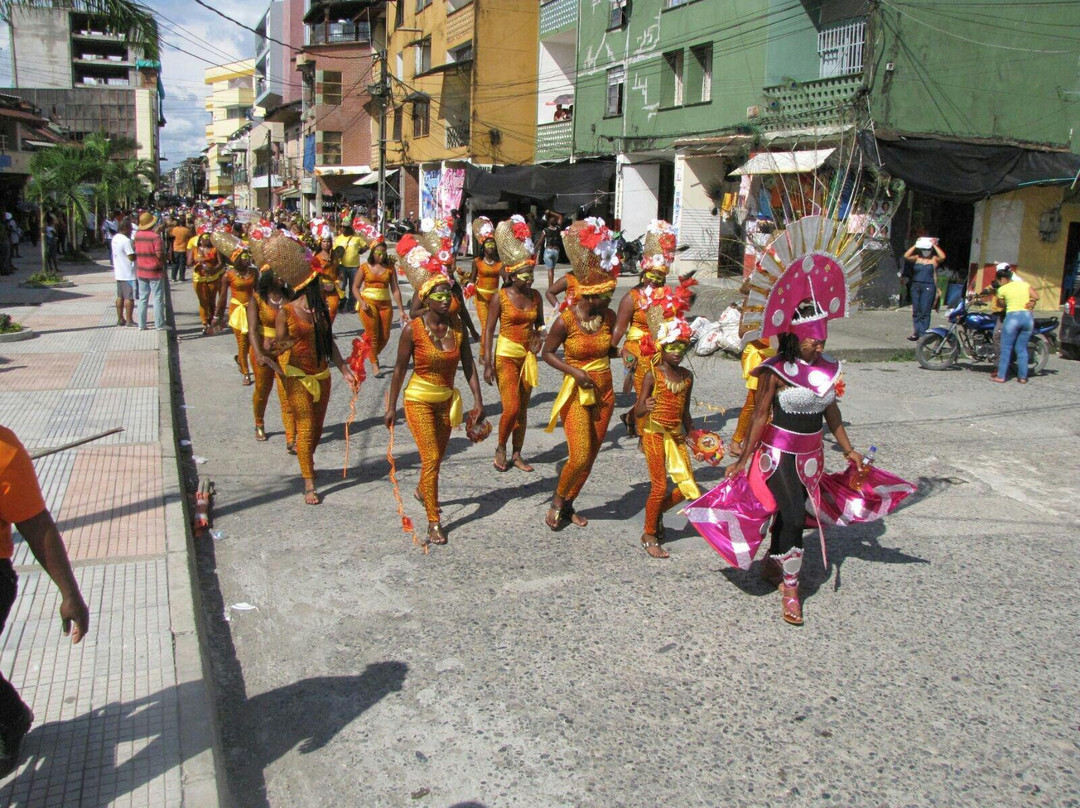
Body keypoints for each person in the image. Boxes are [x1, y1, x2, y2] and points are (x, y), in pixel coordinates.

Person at [385, 225, 485, 546]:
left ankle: (422, 490)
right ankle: (433, 521)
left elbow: (468, 364)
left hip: (446, 400)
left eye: (448, 293)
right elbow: (400, 369)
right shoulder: (412, 330)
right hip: (418, 400)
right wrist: (390, 406)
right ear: (425, 300)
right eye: (437, 294)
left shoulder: (456, 327)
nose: (445, 298)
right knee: (430, 458)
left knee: (437, 457)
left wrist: (477, 400)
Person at [0, 425, 90, 777]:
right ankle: (12, 714)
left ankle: (9, 719)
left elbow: (36, 525)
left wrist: (70, 594)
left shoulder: (4, 451)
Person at [263, 233, 356, 505]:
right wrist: (269, 348)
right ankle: (309, 481)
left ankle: (308, 461)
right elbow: (280, 346)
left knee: (315, 430)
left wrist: (344, 370)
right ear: (310, 285)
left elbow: (329, 343)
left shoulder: (322, 311)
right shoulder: (287, 312)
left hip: (321, 376)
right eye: (322, 283)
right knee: (304, 428)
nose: (327, 288)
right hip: (296, 377)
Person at [541, 219, 619, 531]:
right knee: (579, 453)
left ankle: (570, 502)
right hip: (576, 391)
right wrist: (574, 371)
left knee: (591, 457)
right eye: (605, 295)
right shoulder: (565, 321)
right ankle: (558, 500)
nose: (609, 300)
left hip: (605, 391)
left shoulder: (608, 317)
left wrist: (627, 353)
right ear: (587, 295)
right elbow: (546, 353)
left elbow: (607, 351)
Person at [633, 303, 700, 558]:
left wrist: (695, 435)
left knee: (687, 487)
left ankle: (656, 512)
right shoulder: (653, 375)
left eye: (681, 348)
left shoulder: (686, 377)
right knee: (659, 487)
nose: (676, 353)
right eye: (671, 348)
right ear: (662, 348)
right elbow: (638, 411)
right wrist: (644, 407)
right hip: (653, 433)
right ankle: (649, 533)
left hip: (676, 435)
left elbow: (685, 413)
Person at [483, 218, 544, 473]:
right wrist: (487, 363)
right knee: (512, 406)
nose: (529, 280)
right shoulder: (500, 297)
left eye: (531, 275)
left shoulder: (536, 296)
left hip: (527, 358)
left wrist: (539, 339)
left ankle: (518, 454)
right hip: (506, 355)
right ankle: (500, 446)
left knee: (523, 408)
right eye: (524, 276)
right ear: (512, 275)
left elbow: (539, 325)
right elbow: (488, 331)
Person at [611, 220, 678, 437]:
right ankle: (646, 436)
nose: (657, 281)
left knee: (659, 391)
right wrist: (613, 349)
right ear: (644, 272)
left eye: (661, 277)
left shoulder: (668, 297)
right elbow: (619, 329)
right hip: (638, 351)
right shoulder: (631, 298)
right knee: (644, 393)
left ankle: (631, 417)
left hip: (660, 349)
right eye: (653, 275)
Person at [246, 268, 295, 447]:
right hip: (262, 350)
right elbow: (251, 329)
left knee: (286, 392)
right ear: (269, 278)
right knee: (262, 390)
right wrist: (259, 352)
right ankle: (259, 422)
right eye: (278, 275)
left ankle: (291, 437)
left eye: (283, 275)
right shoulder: (257, 299)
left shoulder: (290, 296)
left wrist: (285, 343)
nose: (282, 278)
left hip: (284, 349)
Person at [352, 239, 408, 376]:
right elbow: (355, 287)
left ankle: (369, 353)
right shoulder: (364, 267)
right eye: (378, 252)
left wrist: (401, 309)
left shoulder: (390, 268)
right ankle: (374, 363)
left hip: (385, 305)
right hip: (368, 304)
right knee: (373, 335)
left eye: (384, 253)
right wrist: (361, 301)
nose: (381, 256)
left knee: (385, 335)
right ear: (372, 253)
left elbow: (395, 289)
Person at [214, 239, 258, 385]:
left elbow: (258, 292)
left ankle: (241, 360)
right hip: (236, 310)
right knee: (242, 343)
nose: (247, 259)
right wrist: (217, 315)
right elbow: (222, 297)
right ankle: (246, 373)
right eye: (244, 257)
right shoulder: (229, 275)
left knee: (252, 342)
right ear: (237, 259)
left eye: (249, 257)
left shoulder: (254, 272)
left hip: (251, 309)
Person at [992, 264, 1039, 384]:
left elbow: (1002, 305)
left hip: (1013, 318)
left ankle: (1001, 376)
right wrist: (1031, 301)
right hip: (1028, 319)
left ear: (1002, 279)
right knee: (1022, 349)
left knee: (1006, 348)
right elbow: (1036, 296)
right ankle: (1023, 377)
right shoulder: (1024, 284)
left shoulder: (1002, 289)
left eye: (999, 280)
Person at [729, 337, 775, 456]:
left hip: (778, 354)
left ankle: (761, 442)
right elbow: (742, 332)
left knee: (773, 402)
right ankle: (736, 442)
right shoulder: (757, 318)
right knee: (754, 401)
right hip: (758, 355)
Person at [467, 217, 504, 361]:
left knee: (493, 327)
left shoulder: (500, 264)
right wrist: (470, 286)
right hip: (481, 297)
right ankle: (483, 354)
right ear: (483, 246)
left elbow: (505, 279)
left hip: (495, 298)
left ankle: (493, 353)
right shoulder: (476, 262)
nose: (490, 246)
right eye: (488, 244)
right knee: (485, 326)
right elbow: (472, 278)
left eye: (492, 244)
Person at [902, 237, 945, 340]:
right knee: (916, 310)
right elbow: (906, 255)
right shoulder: (917, 258)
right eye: (924, 250)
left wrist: (934, 245)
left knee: (925, 310)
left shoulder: (934, 259)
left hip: (928, 286)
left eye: (928, 250)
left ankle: (923, 332)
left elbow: (942, 256)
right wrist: (916, 244)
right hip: (916, 285)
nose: (926, 252)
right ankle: (917, 332)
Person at [133, 211, 167, 330]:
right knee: (157, 298)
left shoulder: (137, 236)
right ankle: (159, 324)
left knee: (143, 298)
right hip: (155, 270)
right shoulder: (155, 237)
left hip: (141, 270)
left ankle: (141, 324)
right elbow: (159, 254)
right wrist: (165, 258)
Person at [190, 233, 224, 335]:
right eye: (205, 238)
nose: (207, 240)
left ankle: (211, 320)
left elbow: (221, 263)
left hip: (213, 278)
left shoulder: (215, 249)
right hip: (199, 279)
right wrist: (196, 261)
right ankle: (204, 322)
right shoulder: (195, 249)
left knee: (211, 300)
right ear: (200, 240)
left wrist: (213, 270)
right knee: (203, 300)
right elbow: (188, 262)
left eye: (209, 238)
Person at [333, 225, 367, 312]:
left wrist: (361, 251)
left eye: (345, 227)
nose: (343, 229)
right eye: (342, 227)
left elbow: (366, 246)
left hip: (354, 267)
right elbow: (334, 252)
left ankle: (351, 306)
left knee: (354, 287)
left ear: (349, 228)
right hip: (342, 266)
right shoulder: (338, 239)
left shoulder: (356, 238)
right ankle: (342, 301)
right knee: (341, 286)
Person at [111, 219, 136, 327]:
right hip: (128, 273)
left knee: (119, 296)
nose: (131, 231)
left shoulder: (115, 238)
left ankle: (120, 318)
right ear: (125, 228)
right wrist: (137, 253)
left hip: (119, 272)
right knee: (129, 297)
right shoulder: (126, 241)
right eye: (130, 229)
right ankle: (129, 320)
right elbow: (131, 256)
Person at [311, 237, 342, 323]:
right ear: (320, 243)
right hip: (320, 286)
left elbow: (337, 268)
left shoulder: (334, 255)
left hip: (333, 286)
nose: (326, 243)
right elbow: (312, 272)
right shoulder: (316, 257)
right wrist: (320, 269)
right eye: (324, 241)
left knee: (333, 306)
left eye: (328, 241)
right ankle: (321, 329)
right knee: (319, 309)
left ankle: (328, 328)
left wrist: (339, 277)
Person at [537, 210, 564, 288]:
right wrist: (551, 212)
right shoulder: (558, 229)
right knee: (553, 269)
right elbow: (560, 216)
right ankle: (551, 286)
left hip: (548, 251)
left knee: (550, 270)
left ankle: (550, 287)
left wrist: (535, 248)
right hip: (556, 251)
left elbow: (540, 241)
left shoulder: (545, 230)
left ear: (548, 222)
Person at [170, 218, 192, 283]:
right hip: (183, 248)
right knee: (182, 264)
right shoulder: (186, 230)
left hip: (175, 248)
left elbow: (171, 236)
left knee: (174, 263)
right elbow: (190, 237)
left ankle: (173, 277)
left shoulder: (174, 229)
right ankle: (181, 278)